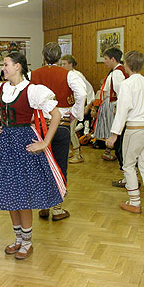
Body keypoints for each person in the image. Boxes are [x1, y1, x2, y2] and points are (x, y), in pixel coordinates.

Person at [0, 52, 65, 260]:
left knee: (22, 196)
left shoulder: (32, 90)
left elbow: (57, 115)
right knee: (9, 194)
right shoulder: (0, 89)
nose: (3, 68)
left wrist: (45, 142)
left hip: (25, 144)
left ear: (18, 66)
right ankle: (18, 239)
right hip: (5, 143)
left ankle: (27, 242)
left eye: (6, 64)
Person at [30, 42, 86, 222]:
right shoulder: (69, 75)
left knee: (41, 166)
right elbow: (82, 94)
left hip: (39, 126)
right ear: (60, 57)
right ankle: (57, 208)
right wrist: (75, 113)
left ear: (43, 56)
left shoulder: (32, 74)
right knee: (60, 165)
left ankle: (44, 205)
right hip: (60, 124)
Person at [106, 51, 144, 217]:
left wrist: (114, 134)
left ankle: (135, 202)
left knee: (128, 165)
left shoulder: (127, 85)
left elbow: (122, 110)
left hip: (136, 128)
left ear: (127, 66)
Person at [95, 48, 129, 174]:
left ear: (113, 59)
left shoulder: (117, 73)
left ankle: (124, 167)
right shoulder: (117, 71)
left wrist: (117, 108)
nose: (104, 61)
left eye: (106, 59)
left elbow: (121, 93)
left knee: (116, 134)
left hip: (114, 105)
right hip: (113, 104)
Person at [58, 54, 95, 164]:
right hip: (69, 106)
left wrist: (86, 106)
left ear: (71, 64)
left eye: (65, 64)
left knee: (71, 130)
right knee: (66, 129)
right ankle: (69, 151)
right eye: (61, 64)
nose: (62, 66)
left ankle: (78, 154)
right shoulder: (66, 75)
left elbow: (87, 91)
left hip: (77, 106)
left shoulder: (76, 75)